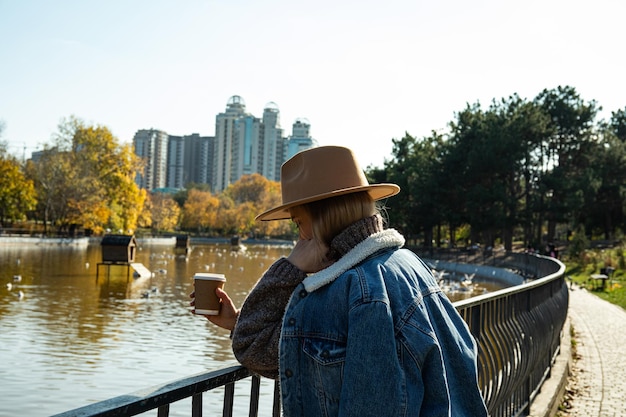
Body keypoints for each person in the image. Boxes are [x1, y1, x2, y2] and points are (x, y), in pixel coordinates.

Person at [193, 146, 488, 416]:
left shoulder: (351, 290)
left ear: (323, 217)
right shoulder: (407, 264)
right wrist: (237, 321)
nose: (300, 236)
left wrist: (290, 266)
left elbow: (253, 348)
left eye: (298, 223)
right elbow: (311, 355)